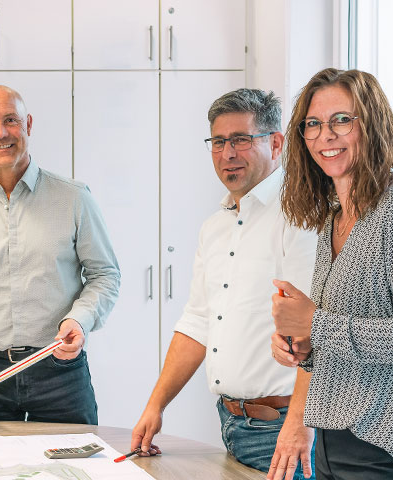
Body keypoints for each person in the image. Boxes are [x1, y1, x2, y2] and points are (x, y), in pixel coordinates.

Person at [269, 68, 393, 480]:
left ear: (371, 126)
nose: (326, 135)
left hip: (392, 455)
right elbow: (341, 336)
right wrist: (303, 346)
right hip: (332, 446)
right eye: (313, 124)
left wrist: (316, 325)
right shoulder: (333, 221)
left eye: (341, 120)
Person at [128, 88, 318, 479]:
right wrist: (156, 405)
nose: (228, 153)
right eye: (218, 142)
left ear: (276, 143)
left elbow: (313, 332)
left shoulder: (300, 215)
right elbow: (198, 321)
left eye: (241, 139)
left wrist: (299, 424)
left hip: (282, 430)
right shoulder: (215, 227)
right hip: (232, 424)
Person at [0, 85, 121, 424]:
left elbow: (105, 275)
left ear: (28, 124)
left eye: (10, 120)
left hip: (60, 372)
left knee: (76, 460)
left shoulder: (74, 199)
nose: (0, 133)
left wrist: (79, 320)